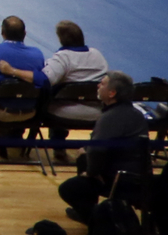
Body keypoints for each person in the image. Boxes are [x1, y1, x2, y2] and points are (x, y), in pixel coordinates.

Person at [57, 72, 148, 222]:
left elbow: (97, 149)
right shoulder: (135, 113)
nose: (98, 86)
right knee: (84, 154)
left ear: (112, 93)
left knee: (69, 188)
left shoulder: (110, 117)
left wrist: (91, 173)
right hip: (139, 174)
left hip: (121, 178)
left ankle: (97, 220)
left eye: (103, 84)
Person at [40, 22, 109, 138]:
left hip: (63, 112)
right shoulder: (97, 55)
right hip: (96, 112)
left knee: (46, 97)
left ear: (61, 39)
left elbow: (45, 80)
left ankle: (58, 144)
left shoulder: (62, 57)